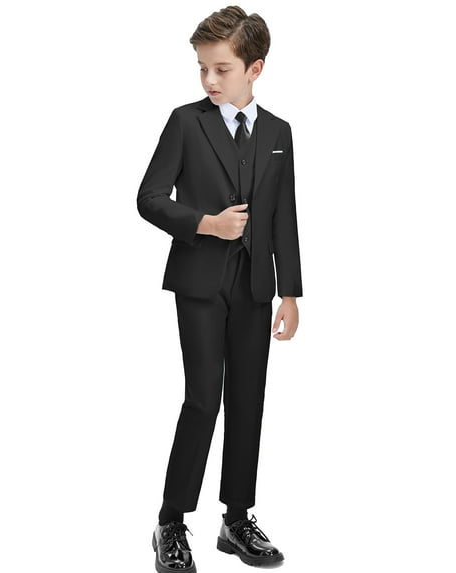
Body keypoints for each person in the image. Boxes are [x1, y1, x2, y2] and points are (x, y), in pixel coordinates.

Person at [137, 6, 303, 571]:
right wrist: (205, 224)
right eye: (202, 68)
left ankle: (236, 519)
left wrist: (289, 293)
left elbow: (283, 216)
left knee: (249, 401)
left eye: (222, 69)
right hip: (201, 283)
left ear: (255, 69)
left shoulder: (278, 133)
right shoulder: (186, 122)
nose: (209, 79)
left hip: (256, 286)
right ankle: (170, 521)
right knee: (204, 398)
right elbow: (149, 198)